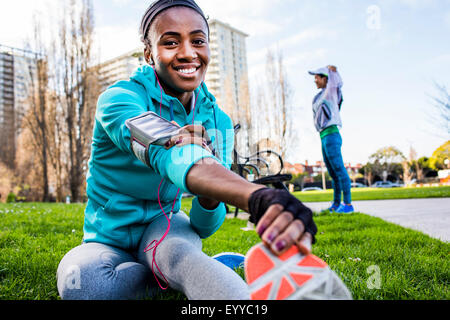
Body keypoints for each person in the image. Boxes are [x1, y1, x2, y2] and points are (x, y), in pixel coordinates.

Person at [56, 0, 317, 300]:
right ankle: (166, 277)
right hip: (106, 238)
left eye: (198, 41)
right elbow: (164, 150)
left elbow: (205, 226)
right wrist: (255, 196)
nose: (187, 53)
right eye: (170, 42)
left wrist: (210, 196)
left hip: (165, 228)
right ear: (149, 53)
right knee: (84, 284)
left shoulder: (218, 121)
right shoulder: (119, 99)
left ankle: (185, 271)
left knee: (179, 255)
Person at [308, 66, 354, 213]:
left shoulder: (331, 92)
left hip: (332, 135)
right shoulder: (319, 96)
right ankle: (336, 204)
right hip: (323, 136)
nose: (315, 80)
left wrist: (333, 72)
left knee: (339, 169)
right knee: (333, 173)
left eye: (317, 77)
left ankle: (347, 204)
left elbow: (336, 83)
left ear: (325, 79)